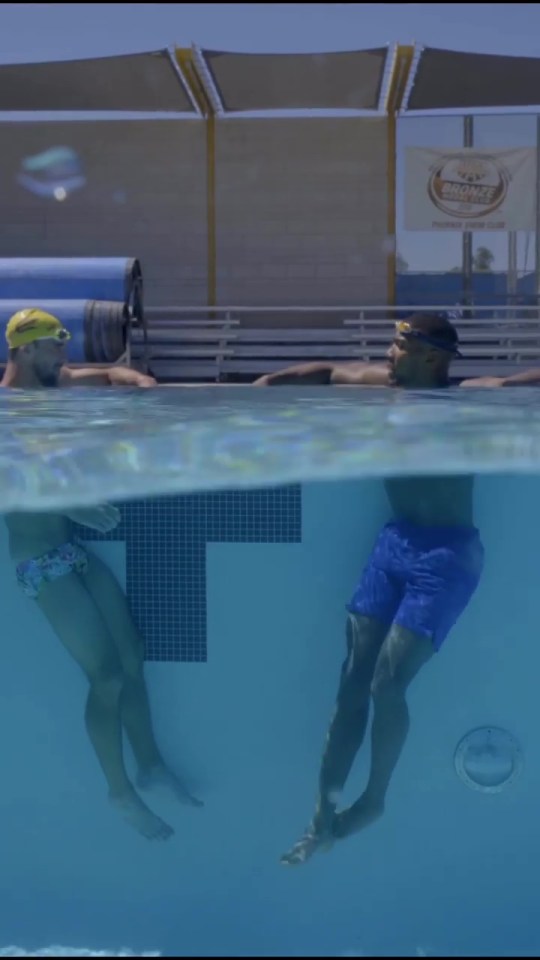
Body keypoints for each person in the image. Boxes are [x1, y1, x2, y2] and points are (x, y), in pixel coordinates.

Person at [254, 311, 540, 866]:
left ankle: (374, 799)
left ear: (432, 357)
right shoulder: (380, 389)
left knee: (388, 685)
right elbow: (325, 371)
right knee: (350, 682)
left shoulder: (468, 398)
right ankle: (321, 815)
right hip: (394, 546)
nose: (388, 354)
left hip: (448, 555)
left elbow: (522, 383)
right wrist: (267, 386)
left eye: (398, 346)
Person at [2, 309, 202, 840]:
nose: (64, 359)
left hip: (73, 553)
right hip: (40, 564)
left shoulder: (57, 383)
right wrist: (76, 504)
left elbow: (110, 375)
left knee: (132, 656)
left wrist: (139, 383)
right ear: (23, 352)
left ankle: (152, 764)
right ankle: (120, 792)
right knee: (107, 677)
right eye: (53, 349)